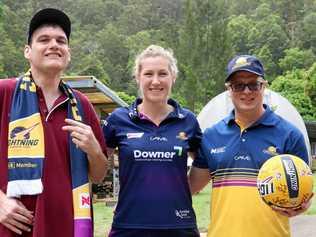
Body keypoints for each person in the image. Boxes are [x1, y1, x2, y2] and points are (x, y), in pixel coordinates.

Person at [0, 8, 107, 237]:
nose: (54, 45)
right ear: (27, 51)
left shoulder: (81, 105)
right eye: (44, 40)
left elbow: (98, 175)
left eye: (61, 41)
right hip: (12, 227)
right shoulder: (5, 93)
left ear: (68, 52)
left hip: (68, 226)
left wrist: (95, 150)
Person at [189, 55, 313, 237]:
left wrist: (300, 207)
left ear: (264, 86)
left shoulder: (290, 134)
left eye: (253, 84)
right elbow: (190, 187)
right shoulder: (212, 136)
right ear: (229, 90)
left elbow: (304, 193)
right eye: (238, 85)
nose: (246, 91)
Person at [103, 45, 202, 237]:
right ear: (138, 78)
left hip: (179, 227)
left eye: (162, 73)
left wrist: (179, 191)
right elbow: (96, 168)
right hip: (129, 227)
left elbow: (205, 164)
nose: (156, 81)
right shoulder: (118, 119)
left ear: (173, 77)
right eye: (148, 74)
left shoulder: (188, 120)